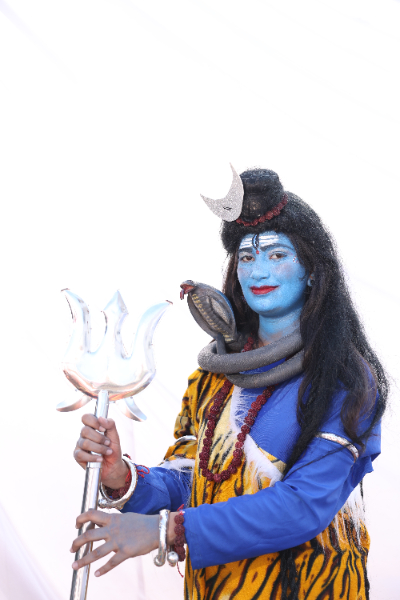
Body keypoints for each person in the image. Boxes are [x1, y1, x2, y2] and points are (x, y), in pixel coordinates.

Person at [70, 167, 387, 600]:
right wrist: (120, 475)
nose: (258, 271)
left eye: (277, 254)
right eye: (247, 258)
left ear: (312, 270)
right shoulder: (212, 377)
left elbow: (302, 506)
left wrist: (168, 530)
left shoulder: (345, 380)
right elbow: (192, 479)